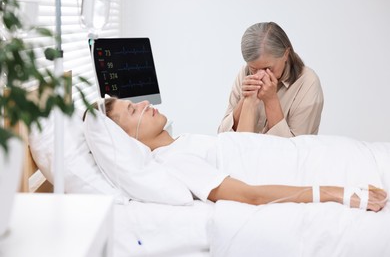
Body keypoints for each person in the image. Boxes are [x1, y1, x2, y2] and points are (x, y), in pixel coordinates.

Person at [86, 97, 387, 212]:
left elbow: (242, 145)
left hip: (314, 153)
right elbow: (248, 195)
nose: (143, 104)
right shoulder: (173, 162)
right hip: (309, 168)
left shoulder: (179, 143)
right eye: (132, 110)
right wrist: (339, 193)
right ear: (127, 139)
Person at [218, 22, 324, 137]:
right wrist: (245, 100)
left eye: (268, 68)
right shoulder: (245, 72)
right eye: (254, 68)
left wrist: (271, 100)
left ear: (286, 54)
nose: (260, 75)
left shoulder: (308, 83)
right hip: (246, 153)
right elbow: (222, 137)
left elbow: (295, 149)